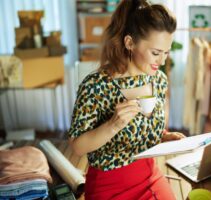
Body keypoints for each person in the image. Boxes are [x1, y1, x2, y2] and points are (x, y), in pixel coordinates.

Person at [68, 0, 185, 199]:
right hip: (109, 186)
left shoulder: (159, 80)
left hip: (150, 176)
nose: (162, 61)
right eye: (156, 53)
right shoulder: (96, 86)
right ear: (129, 42)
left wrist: (163, 137)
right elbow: (77, 146)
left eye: (166, 52)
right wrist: (112, 126)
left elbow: (144, 130)